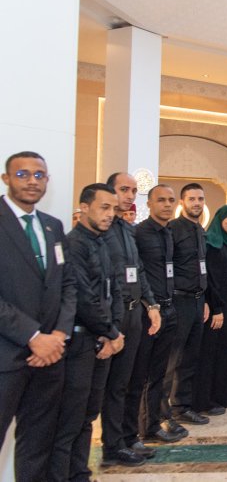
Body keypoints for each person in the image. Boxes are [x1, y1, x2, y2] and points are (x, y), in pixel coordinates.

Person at [0, 152, 75, 482]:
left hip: (50, 358)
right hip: (6, 355)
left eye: (39, 175)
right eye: (23, 174)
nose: (32, 181)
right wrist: (34, 336)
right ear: (6, 179)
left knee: (37, 442)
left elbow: (67, 284)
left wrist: (58, 334)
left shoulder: (52, 225)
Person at [49, 183, 125, 482]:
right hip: (81, 342)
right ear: (84, 207)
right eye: (104, 208)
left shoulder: (103, 242)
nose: (110, 215)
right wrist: (108, 332)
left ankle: (79, 472)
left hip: (103, 340)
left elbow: (113, 289)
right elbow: (81, 297)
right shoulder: (73, 243)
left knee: (88, 415)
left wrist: (114, 332)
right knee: (70, 419)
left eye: (113, 209)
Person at [101, 172, 161, 467]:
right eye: (124, 189)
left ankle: (129, 436)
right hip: (114, 315)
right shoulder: (102, 230)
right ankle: (112, 446)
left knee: (134, 378)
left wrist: (152, 305)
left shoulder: (127, 229)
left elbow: (139, 271)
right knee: (115, 385)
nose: (129, 195)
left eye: (134, 190)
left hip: (136, 313)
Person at [124, 185, 185, 455]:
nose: (167, 205)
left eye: (171, 201)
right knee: (141, 375)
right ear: (149, 203)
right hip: (149, 312)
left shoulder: (169, 233)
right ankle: (136, 429)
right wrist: (150, 305)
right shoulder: (139, 233)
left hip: (169, 310)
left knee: (160, 372)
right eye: (161, 200)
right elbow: (137, 275)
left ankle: (153, 424)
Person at [165, 183, 210, 430]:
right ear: (182, 202)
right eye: (191, 198)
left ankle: (183, 406)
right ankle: (164, 413)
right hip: (179, 300)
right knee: (173, 359)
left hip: (197, 300)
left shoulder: (200, 230)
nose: (196, 203)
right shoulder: (173, 229)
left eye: (200, 199)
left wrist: (204, 301)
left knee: (190, 357)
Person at [192, 205, 227, 414]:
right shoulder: (211, 243)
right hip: (215, 308)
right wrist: (217, 308)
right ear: (220, 218)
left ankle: (220, 395)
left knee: (223, 351)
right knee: (209, 354)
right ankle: (204, 400)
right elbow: (209, 280)